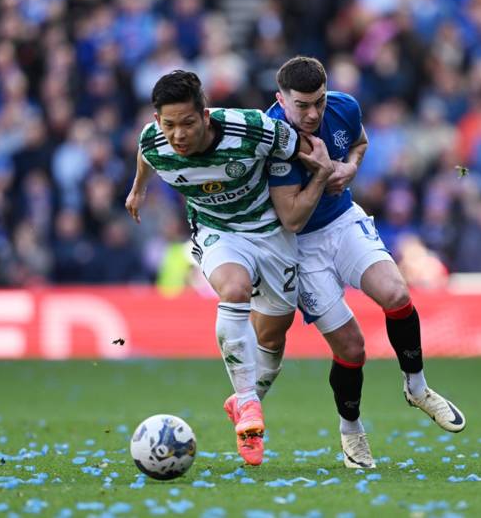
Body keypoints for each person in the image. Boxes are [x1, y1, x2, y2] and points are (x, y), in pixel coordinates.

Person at [228, 56, 465, 469]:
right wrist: (323, 173)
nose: (313, 113)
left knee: (396, 292)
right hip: (295, 247)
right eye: (302, 105)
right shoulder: (272, 139)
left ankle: (417, 387)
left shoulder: (344, 106)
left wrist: (350, 168)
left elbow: (359, 141)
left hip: (342, 221)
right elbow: (292, 218)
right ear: (279, 100)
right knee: (352, 348)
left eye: (318, 101)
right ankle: (351, 430)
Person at [125, 70, 333, 466]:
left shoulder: (254, 130)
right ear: (157, 123)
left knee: (272, 339)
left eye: (187, 123)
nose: (178, 135)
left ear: (206, 116)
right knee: (233, 289)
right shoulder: (153, 140)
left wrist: (330, 171)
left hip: (271, 233)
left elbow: (305, 146)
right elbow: (145, 152)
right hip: (217, 232)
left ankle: (243, 400)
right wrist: (139, 187)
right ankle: (250, 407)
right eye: (169, 125)